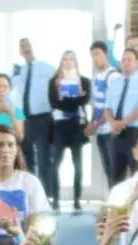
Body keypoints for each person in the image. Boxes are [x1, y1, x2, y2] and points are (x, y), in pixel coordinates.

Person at [100, 50, 138, 186]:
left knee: (137, 173)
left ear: (137, 63)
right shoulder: (114, 83)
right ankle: (117, 206)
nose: (126, 63)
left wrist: (121, 123)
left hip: (136, 133)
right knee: (115, 175)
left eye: (130, 60)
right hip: (116, 134)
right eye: (123, 60)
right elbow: (107, 108)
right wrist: (113, 123)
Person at [47, 52, 91, 213]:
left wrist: (68, 101)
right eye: (64, 59)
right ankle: (56, 200)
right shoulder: (54, 82)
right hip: (59, 127)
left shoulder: (84, 81)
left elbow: (85, 101)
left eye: (71, 59)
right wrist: (75, 100)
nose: (68, 62)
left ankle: (77, 200)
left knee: (78, 166)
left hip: (77, 128)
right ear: (61, 61)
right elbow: (54, 103)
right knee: (55, 165)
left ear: (76, 61)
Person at [10, 38, 56, 178]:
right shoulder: (18, 71)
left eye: (27, 45)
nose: (25, 48)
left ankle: (47, 196)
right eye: (22, 46)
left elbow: (58, 85)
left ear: (33, 47)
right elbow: (10, 90)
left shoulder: (46, 67)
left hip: (43, 118)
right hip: (24, 119)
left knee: (44, 159)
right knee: (27, 159)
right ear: (20, 51)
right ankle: (31, 194)